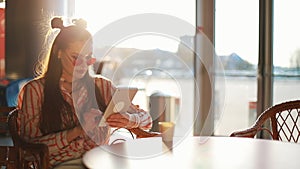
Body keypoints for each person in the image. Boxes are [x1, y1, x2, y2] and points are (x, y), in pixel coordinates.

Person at [17, 17, 153, 169]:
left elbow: (147, 121)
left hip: (99, 161)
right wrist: (78, 130)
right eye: (76, 58)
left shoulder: (102, 86)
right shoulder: (35, 90)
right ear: (58, 52)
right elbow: (28, 147)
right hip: (59, 164)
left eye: (88, 59)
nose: (82, 65)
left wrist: (129, 119)